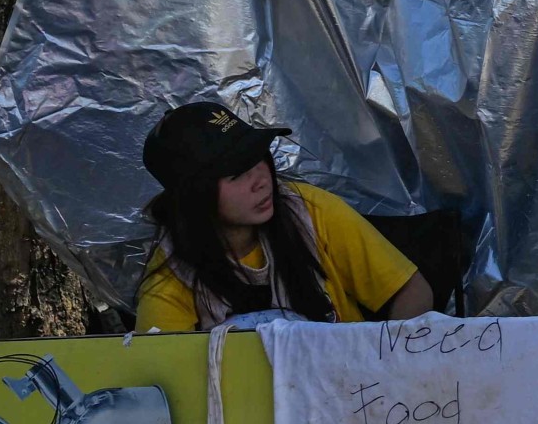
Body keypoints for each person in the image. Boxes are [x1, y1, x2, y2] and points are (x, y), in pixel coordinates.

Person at [135, 100, 431, 332]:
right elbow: (163, 376)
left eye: (259, 158)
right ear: (194, 198)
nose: (261, 180)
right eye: (238, 174)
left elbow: (411, 290)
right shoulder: (172, 277)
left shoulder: (310, 212)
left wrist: (384, 364)